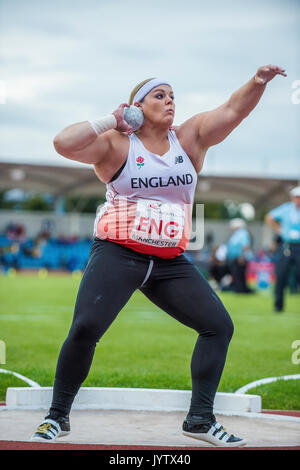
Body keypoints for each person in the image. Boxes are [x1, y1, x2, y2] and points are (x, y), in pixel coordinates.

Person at [31, 65, 286, 447]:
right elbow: (62, 143)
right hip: (118, 254)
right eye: (160, 96)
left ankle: (200, 420)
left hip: (169, 261)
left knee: (219, 326)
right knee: (85, 328)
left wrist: (256, 83)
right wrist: (109, 121)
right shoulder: (117, 143)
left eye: (172, 97)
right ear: (137, 106)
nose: (170, 102)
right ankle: (57, 417)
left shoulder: (189, 138)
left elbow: (234, 110)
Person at [265, 186, 300, 312]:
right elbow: (269, 217)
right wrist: (278, 229)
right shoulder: (286, 209)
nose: (298, 200)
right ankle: (278, 306)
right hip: (287, 246)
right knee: (281, 275)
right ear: (292, 198)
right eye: (296, 197)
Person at [226, 218, 254, 293]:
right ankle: (240, 289)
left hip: (240, 258)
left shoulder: (242, 233)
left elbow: (245, 246)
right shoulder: (236, 234)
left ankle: (241, 290)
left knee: (239, 275)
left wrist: (242, 256)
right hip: (235, 258)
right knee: (237, 275)